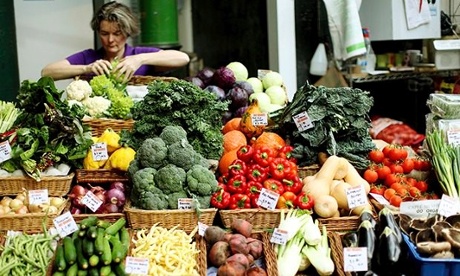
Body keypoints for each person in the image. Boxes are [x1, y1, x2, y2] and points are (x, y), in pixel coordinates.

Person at [41, 1, 190, 82]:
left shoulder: (138, 55)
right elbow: (47, 72)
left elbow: (183, 58)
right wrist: (86, 69)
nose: (110, 40)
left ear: (127, 32)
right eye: (104, 33)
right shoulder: (90, 58)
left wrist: (139, 60)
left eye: (117, 33)